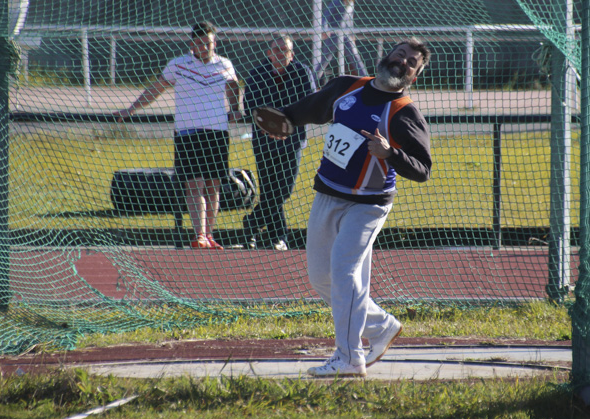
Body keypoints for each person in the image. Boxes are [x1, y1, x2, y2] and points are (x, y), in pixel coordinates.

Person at [278, 38, 432, 377]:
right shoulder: (347, 87)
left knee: (344, 272)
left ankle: (349, 358)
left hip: (368, 206)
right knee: (321, 278)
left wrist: (390, 153)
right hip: (327, 194)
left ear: (414, 76)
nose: (403, 62)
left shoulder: (404, 113)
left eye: (412, 63)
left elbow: (423, 169)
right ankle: (380, 327)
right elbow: (313, 108)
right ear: (388, 55)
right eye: (401, 54)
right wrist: (286, 120)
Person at [114, 21, 243, 250]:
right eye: (202, 43)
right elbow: (156, 89)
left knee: (213, 185)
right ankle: (199, 235)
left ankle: (210, 235)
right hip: (188, 133)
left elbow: (233, 88)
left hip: (217, 133)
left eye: (210, 43)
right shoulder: (178, 65)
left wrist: (235, 109)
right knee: (194, 185)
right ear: (192, 43)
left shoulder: (224, 64)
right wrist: (131, 109)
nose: (207, 48)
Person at [242, 35, 315, 250]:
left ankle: (252, 222)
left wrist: (284, 124)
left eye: (285, 50)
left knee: (284, 190)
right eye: (276, 50)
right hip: (264, 142)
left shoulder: (302, 72)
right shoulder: (257, 74)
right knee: (270, 191)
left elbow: (309, 102)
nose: (280, 54)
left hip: (292, 141)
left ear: (292, 54)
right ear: (268, 52)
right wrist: (270, 126)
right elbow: (250, 106)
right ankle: (278, 238)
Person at [313, 0, 369, 84]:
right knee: (325, 59)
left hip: (346, 35)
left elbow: (350, 20)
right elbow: (326, 15)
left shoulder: (351, 3)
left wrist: (352, 34)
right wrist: (325, 29)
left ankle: (366, 79)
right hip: (333, 34)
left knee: (355, 57)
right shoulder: (337, 1)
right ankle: (312, 81)